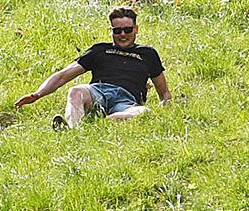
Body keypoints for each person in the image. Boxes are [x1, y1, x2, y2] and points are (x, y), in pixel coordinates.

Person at [14, 6, 171, 129]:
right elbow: (64, 75)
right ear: (111, 31)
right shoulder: (100, 50)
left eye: (127, 30)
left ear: (136, 29)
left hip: (127, 101)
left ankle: (105, 123)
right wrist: (37, 94)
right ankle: (72, 129)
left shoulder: (148, 54)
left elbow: (164, 94)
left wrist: (166, 112)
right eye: (117, 31)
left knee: (144, 113)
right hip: (98, 92)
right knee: (76, 91)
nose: (123, 34)